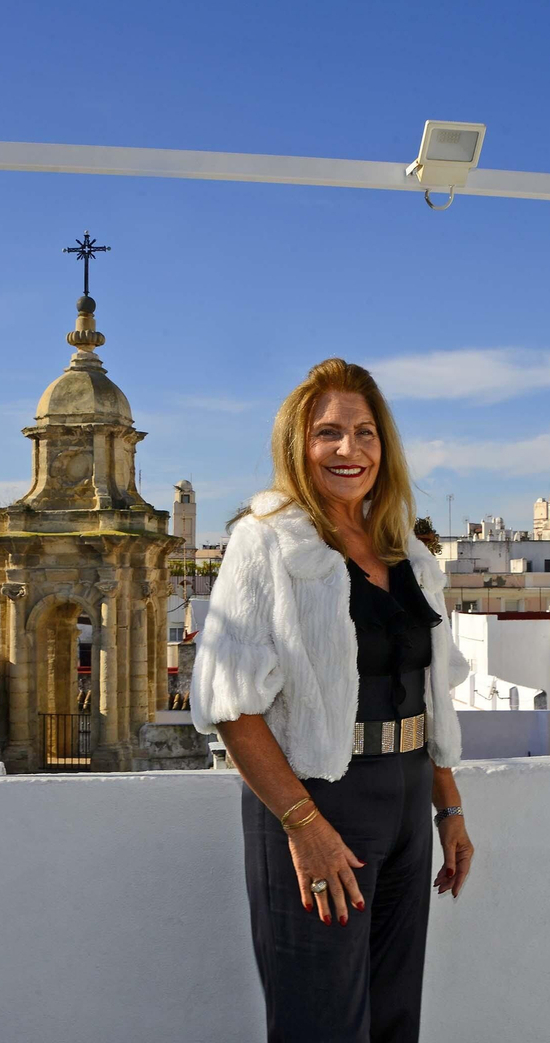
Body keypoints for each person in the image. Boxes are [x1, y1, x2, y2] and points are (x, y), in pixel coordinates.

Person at [191, 358, 476, 1043]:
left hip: (407, 800)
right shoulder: (266, 541)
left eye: (366, 432)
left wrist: (449, 806)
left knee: (394, 1016)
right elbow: (231, 705)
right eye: (329, 433)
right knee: (320, 1020)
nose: (350, 450)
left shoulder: (405, 549)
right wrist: (304, 825)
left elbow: (426, 689)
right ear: (299, 445)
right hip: (319, 800)